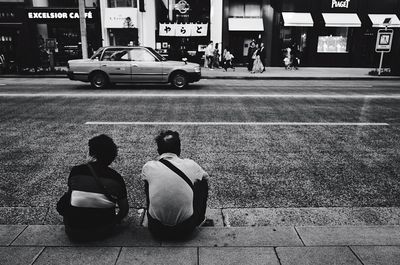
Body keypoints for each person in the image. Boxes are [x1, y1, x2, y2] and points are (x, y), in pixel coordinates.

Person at [57, 134, 129, 242]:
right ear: (112, 157)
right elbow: (124, 209)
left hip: (74, 232)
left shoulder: (76, 171)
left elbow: (68, 200)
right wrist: (116, 220)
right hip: (103, 230)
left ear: (91, 153)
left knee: (68, 197)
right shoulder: (116, 178)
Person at [142, 130, 209, 240]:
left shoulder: (148, 167)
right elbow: (206, 178)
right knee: (202, 182)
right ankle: (200, 219)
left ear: (159, 150)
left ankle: (153, 213)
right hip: (185, 230)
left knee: (148, 182)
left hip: (156, 229)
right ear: (179, 149)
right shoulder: (190, 165)